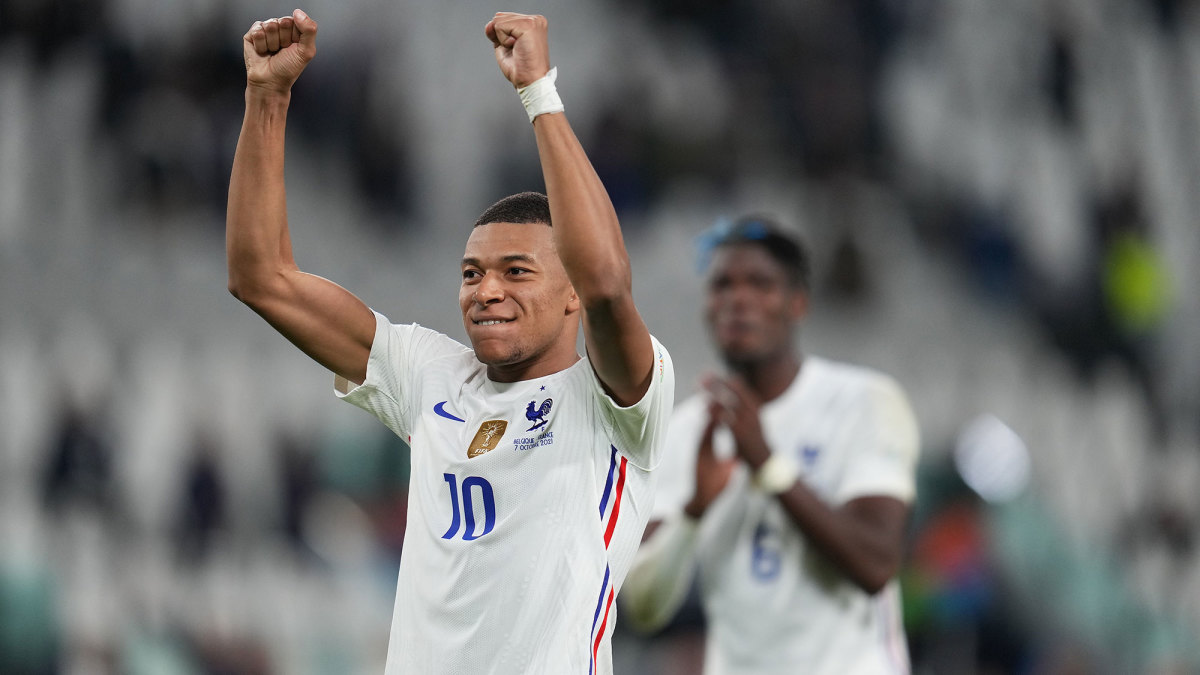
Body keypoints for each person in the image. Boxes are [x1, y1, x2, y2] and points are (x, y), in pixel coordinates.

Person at [226, 10, 674, 674]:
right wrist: (267, 97)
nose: (485, 290)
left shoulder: (616, 404)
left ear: (570, 293)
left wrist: (539, 93)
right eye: (471, 274)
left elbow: (608, 281)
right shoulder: (430, 373)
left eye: (516, 272)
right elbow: (261, 277)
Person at [621, 217, 918, 674]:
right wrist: (694, 512)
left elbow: (875, 565)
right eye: (722, 285)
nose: (738, 299)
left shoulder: (864, 402)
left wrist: (768, 465)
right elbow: (643, 608)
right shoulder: (686, 431)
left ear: (797, 303)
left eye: (760, 284)